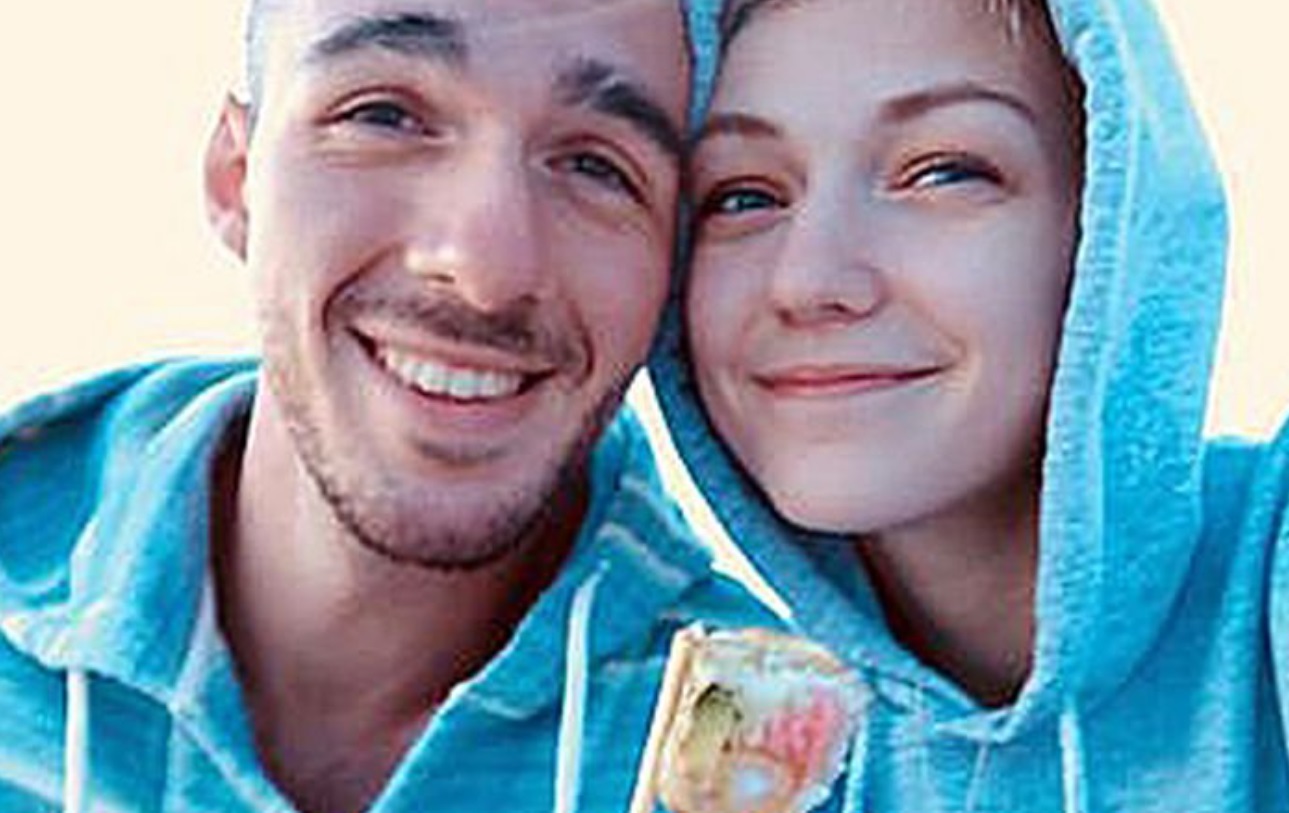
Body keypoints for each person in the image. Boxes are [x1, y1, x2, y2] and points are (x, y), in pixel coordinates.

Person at [0, 1, 769, 811]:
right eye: (384, 116)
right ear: (236, 178)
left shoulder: (813, 765)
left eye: (596, 166)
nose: (485, 268)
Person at [651, 0, 1289, 808]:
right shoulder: (756, 751)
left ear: (1111, 226)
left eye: (945, 172)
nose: (807, 280)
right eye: (741, 195)